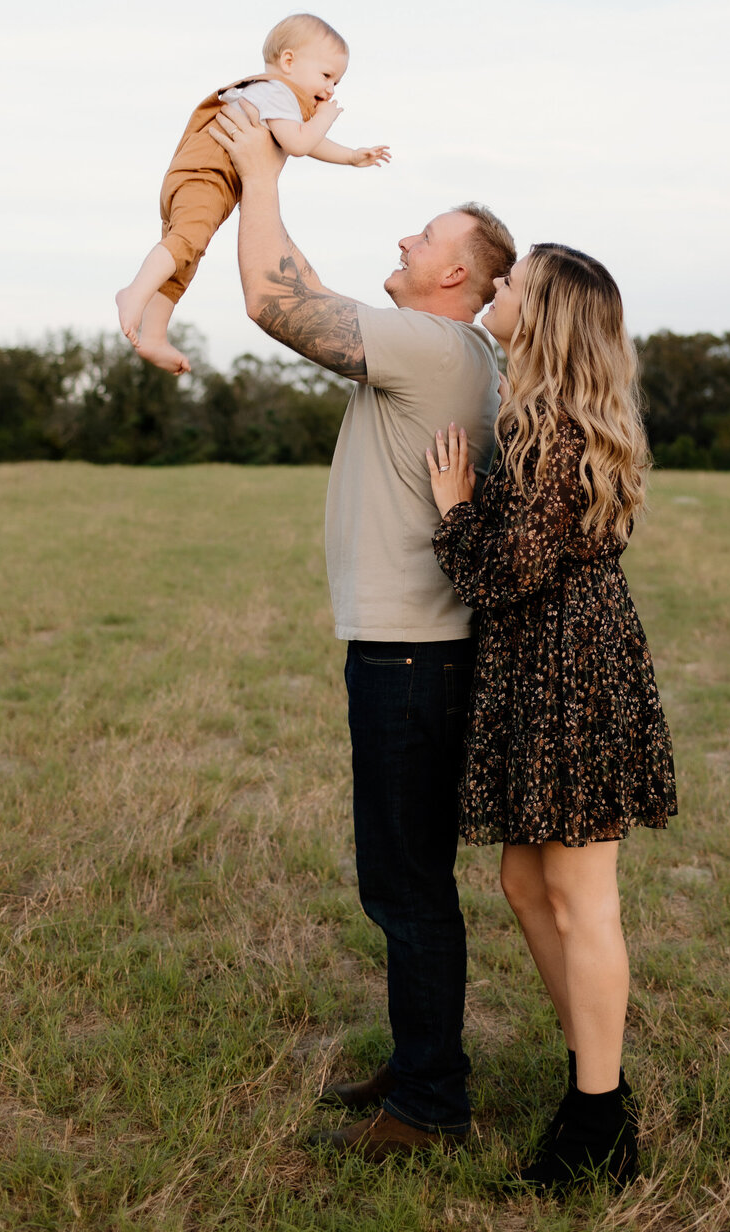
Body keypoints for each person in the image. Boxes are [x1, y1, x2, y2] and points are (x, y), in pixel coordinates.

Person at [205, 94, 515, 1158]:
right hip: (412, 650)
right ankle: (419, 1066)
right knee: (405, 875)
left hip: (409, 656)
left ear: (457, 278)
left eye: (424, 234)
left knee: (406, 883)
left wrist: (261, 172)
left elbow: (275, 302)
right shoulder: (449, 348)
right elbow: (305, 293)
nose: (403, 236)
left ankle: (430, 1105)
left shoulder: (435, 346)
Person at [425, 244, 677, 1193]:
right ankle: (594, 1072)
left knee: (579, 896)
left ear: (545, 317)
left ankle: (601, 1119)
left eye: (511, 286)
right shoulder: (532, 414)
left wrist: (454, 510)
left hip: (572, 673)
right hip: (541, 669)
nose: (494, 290)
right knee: (527, 884)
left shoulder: (559, 428)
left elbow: (505, 574)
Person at [115, 13, 389, 375]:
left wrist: (352, 157)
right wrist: (326, 117)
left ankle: (153, 335)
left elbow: (307, 141)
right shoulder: (276, 90)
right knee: (186, 243)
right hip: (204, 176)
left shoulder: (279, 101)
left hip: (206, 183)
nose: (331, 89)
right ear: (288, 61)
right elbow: (299, 142)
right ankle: (134, 292)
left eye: (337, 81)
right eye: (326, 76)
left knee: (186, 256)